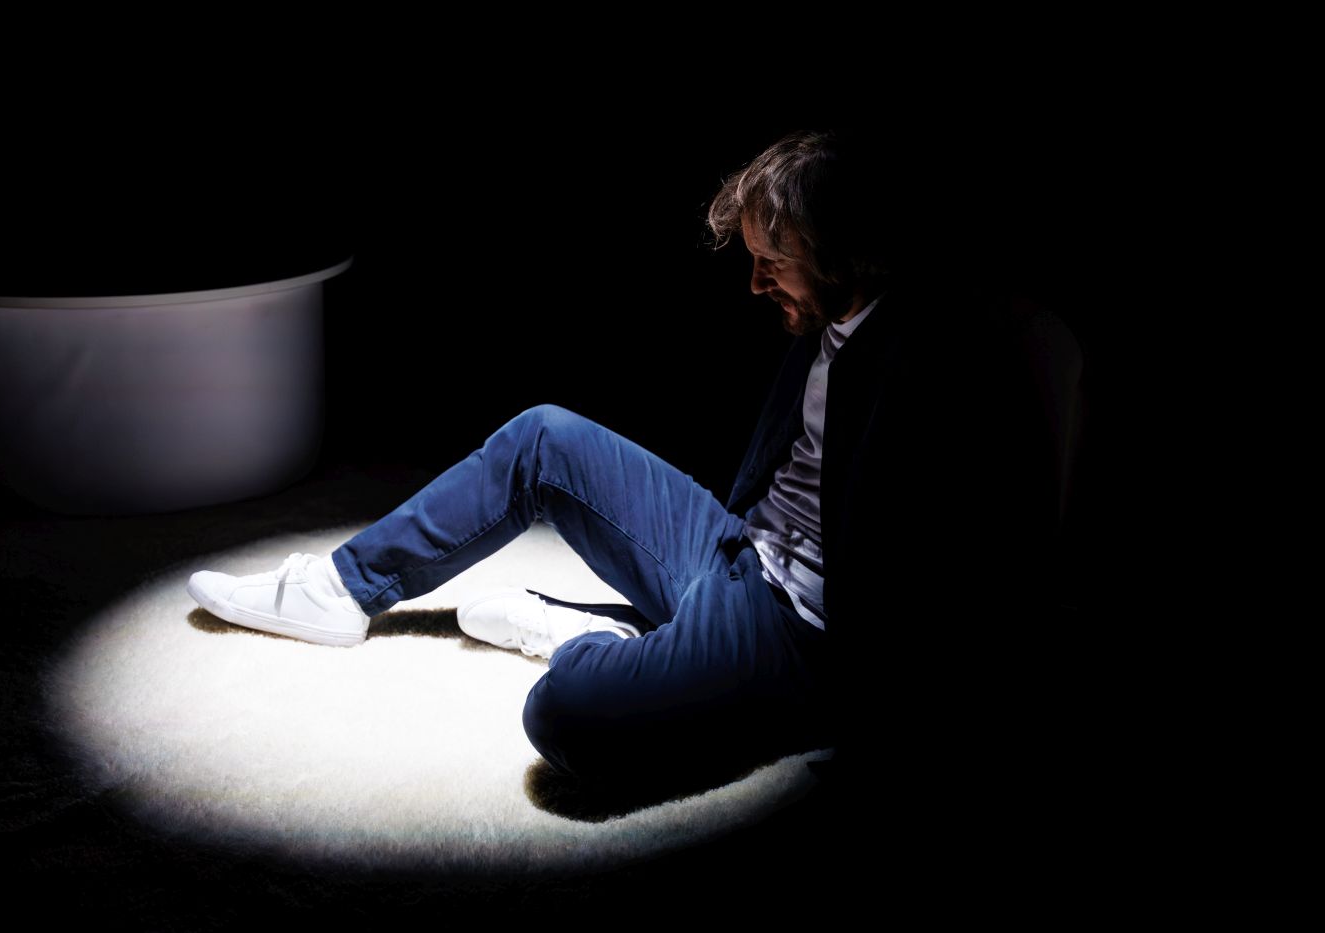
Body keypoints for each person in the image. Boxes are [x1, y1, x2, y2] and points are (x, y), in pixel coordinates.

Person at [187, 129, 1086, 800]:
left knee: (563, 714)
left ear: (841, 250)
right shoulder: (829, 316)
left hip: (795, 635)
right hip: (735, 549)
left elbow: (980, 569)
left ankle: (608, 642)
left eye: (773, 261)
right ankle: (342, 590)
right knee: (542, 435)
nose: (755, 283)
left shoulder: (931, 362)